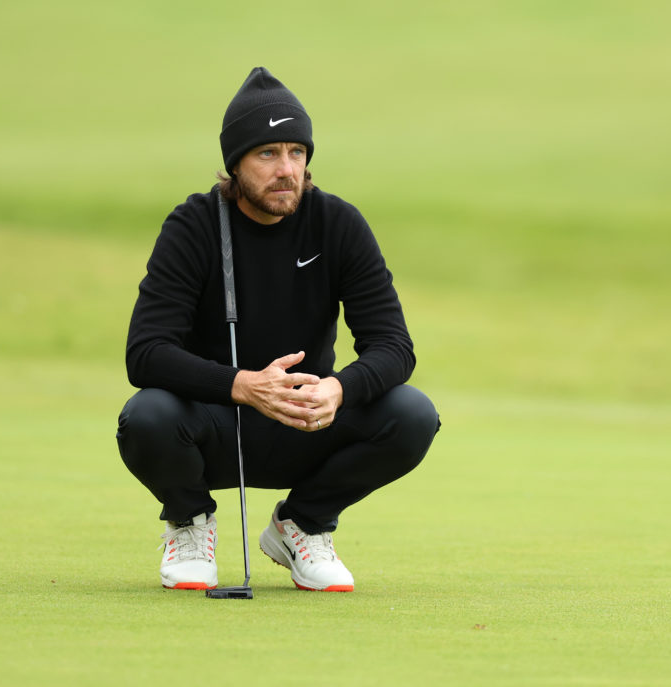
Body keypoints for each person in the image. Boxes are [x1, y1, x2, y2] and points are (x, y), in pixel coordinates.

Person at [115, 67, 439, 593]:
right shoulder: (194, 225)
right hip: (214, 426)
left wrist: (338, 388)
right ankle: (190, 522)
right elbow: (146, 353)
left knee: (412, 414)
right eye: (267, 153)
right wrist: (241, 385)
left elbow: (393, 346)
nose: (286, 168)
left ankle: (302, 524)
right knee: (146, 415)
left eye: (296, 151)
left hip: (306, 419)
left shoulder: (337, 223)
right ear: (235, 164)